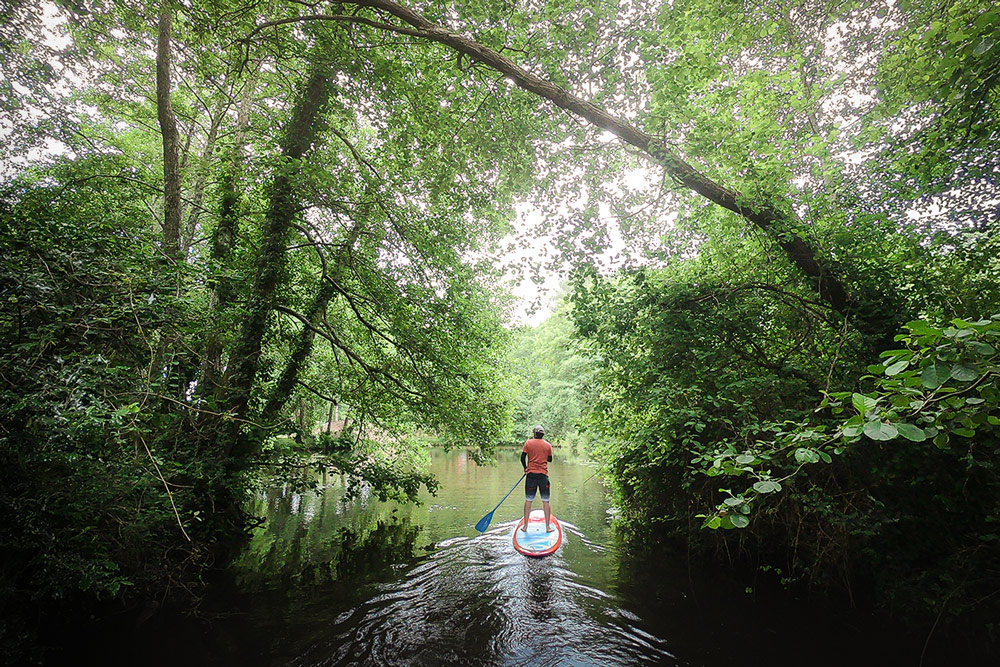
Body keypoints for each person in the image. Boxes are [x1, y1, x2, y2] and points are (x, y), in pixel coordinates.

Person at [521, 425, 554, 533]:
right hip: (543, 476)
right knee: (546, 501)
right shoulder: (548, 445)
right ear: (543, 434)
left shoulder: (528, 443)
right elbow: (550, 459)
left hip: (531, 476)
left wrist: (526, 468)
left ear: (534, 433)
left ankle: (525, 526)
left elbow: (522, 457)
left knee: (528, 500)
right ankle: (548, 527)